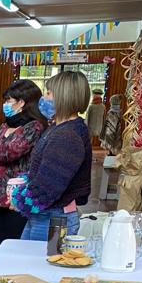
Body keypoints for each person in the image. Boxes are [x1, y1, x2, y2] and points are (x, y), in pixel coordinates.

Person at [12, 70, 93, 239]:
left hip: (53, 218)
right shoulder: (58, 128)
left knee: (40, 257)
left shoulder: (66, 135)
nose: (44, 98)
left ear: (64, 97)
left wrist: (19, 200)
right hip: (45, 216)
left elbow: (48, 187)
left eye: (48, 93)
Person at [0, 79, 47, 246]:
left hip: (18, 199)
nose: (5, 104)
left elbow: (10, 152)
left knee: (16, 244)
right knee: (0, 244)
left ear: (21, 102)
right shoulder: (5, 125)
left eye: (9, 100)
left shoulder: (34, 127)